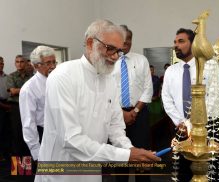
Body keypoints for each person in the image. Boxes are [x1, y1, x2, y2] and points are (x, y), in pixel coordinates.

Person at [35, 20, 159, 182]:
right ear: (90, 43)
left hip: (92, 168)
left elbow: (115, 128)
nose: (115, 57)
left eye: (119, 51)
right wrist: (126, 155)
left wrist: (131, 150)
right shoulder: (63, 76)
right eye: (110, 49)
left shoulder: (109, 80)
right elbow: (70, 139)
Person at [111, 25, 153, 182]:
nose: (126, 43)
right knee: (120, 158)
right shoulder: (109, 61)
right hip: (115, 115)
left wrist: (134, 111)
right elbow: (105, 92)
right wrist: (121, 113)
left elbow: (148, 89)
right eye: (123, 40)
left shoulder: (141, 60)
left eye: (129, 39)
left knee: (142, 157)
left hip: (139, 114)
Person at [161, 28, 195, 181]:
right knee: (183, 171)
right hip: (180, 128)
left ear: (193, 43)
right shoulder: (171, 71)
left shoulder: (206, 68)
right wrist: (180, 122)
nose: (176, 45)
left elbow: (211, 98)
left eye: (181, 41)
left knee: (203, 171)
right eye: (175, 42)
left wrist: (194, 124)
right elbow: (166, 99)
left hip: (201, 130)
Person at [19, 46, 56, 164]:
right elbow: (28, 123)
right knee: (39, 174)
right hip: (40, 135)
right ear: (35, 66)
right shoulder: (29, 88)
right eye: (48, 63)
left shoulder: (57, 81)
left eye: (54, 62)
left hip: (56, 134)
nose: (53, 66)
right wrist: (36, 152)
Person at [6, 55, 32, 157]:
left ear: (25, 63)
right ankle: (17, 169)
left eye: (22, 61)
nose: (19, 64)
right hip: (16, 107)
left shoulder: (31, 76)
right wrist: (26, 90)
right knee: (16, 135)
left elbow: (33, 91)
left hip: (28, 107)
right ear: (15, 63)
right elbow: (12, 91)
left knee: (28, 134)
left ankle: (27, 168)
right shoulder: (11, 76)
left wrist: (19, 90)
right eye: (17, 62)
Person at [0, 57, 10, 161]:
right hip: (1, 106)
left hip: (9, 104)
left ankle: (7, 153)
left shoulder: (8, 77)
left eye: (2, 63)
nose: (1, 65)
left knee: (7, 131)